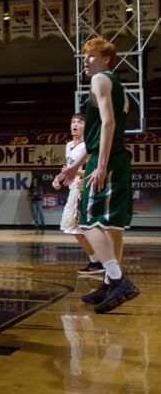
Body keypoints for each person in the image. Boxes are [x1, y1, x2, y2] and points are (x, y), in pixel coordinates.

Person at [56, 37, 139, 313]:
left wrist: (100, 164)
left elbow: (108, 123)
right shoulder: (118, 86)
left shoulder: (101, 79)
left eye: (91, 56)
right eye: (84, 57)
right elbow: (95, 135)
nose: (85, 62)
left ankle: (117, 280)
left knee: (89, 222)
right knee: (112, 228)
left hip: (107, 161)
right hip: (113, 157)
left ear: (106, 59)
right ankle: (107, 283)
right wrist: (75, 163)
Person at [52, 114, 103, 276]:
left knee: (75, 228)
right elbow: (68, 167)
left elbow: (91, 171)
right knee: (79, 229)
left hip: (82, 189)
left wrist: (75, 172)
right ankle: (98, 261)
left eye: (79, 122)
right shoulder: (68, 145)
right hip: (73, 189)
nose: (75, 124)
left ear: (85, 127)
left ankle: (98, 262)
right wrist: (58, 177)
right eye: (73, 121)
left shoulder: (88, 145)